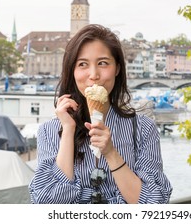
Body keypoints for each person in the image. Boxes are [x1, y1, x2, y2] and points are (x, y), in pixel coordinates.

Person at [29, 24, 172, 204]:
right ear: (72, 71)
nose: (94, 75)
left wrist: (111, 153)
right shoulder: (49, 131)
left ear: (117, 68)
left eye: (103, 63)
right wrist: (67, 130)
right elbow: (46, 205)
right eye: (82, 64)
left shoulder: (143, 128)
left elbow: (155, 204)